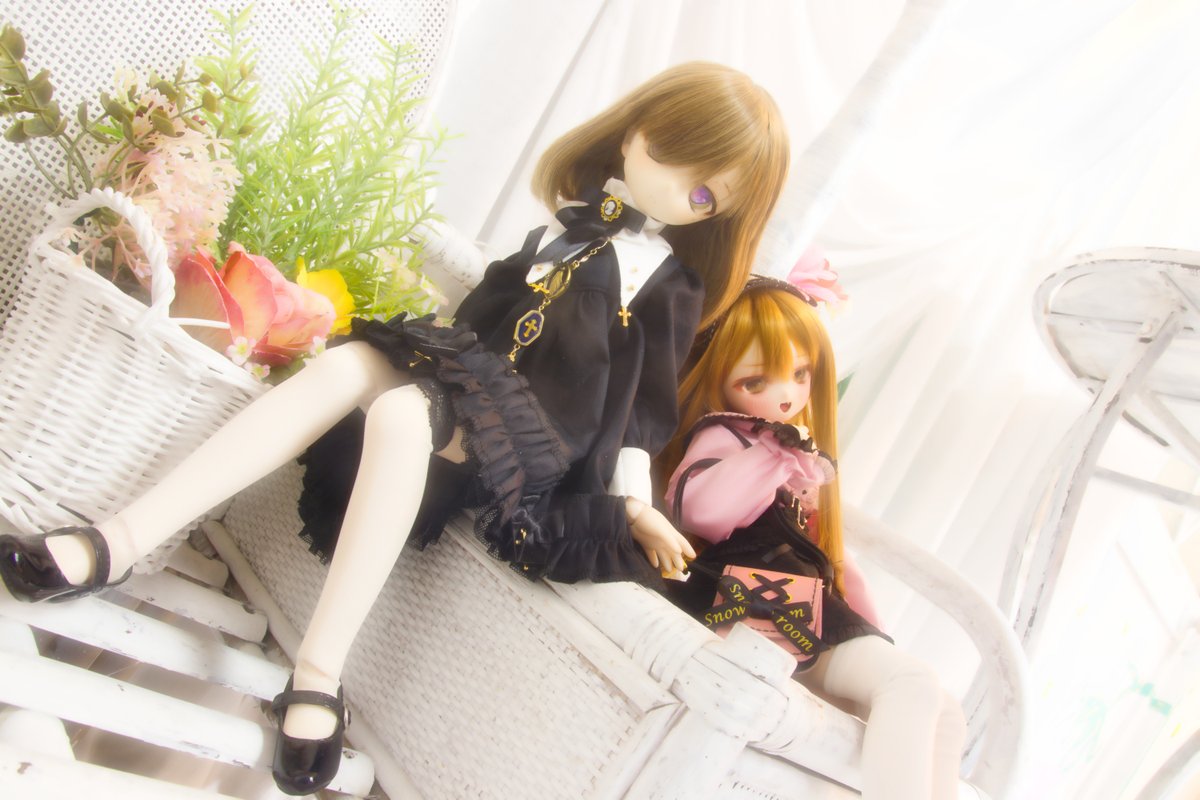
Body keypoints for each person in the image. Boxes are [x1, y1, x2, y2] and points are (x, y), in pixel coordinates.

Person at [0, 61, 789, 795]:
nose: (680, 192)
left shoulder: (667, 283)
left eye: (704, 196)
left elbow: (644, 411)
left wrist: (635, 503)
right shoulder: (567, 228)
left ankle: (318, 673)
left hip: (534, 442)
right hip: (467, 377)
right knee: (346, 367)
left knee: (406, 413)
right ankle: (119, 542)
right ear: (634, 129)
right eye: (673, 156)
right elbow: (486, 318)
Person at [662, 273, 967, 800]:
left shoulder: (783, 450)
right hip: (758, 602)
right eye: (757, 382)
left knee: (946, 710)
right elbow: (701, 511)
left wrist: (870, 629)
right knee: (913, 687)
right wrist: (772, 454)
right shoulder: (723, 434)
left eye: (800, 374)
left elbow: (830, 557)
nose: (786, 395)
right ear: (717, 377)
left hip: (806, 603)